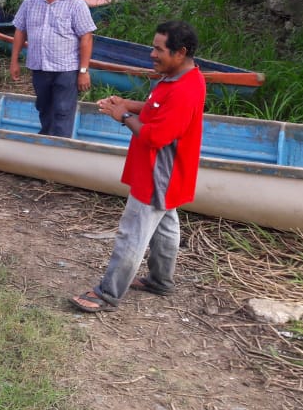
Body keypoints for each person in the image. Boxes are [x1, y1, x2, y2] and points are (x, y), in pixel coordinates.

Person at [70, 20, 206, 313]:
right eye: (153, 48)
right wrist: (128, 105)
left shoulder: (183, 90)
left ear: (180, 52)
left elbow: (156, 136)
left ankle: (107, 294)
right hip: (171, 173)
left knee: (133, 232)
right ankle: (160, 281)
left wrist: (121, 115)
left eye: (159, 50)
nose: (152, 54)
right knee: (165, 226)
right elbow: (158, 110)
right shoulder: (181, 78)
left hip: (159, 172)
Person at [9, 0, 96, 137]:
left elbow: (86, 37)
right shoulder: (30, 1)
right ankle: (46, 139)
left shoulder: (76, 3)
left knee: (63, 110)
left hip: (66, 69)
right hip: (39, 67)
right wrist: (14, 61)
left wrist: (83, 71)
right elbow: (20, 30)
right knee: (43, 107)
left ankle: (61, 144)